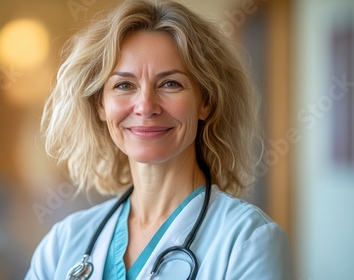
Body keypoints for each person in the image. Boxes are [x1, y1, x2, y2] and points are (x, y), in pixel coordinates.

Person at [26, 0, 292, 279]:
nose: (145, 106)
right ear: (100, 105)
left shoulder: (248, 241)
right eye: (124, 85)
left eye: (170, 83)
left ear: (206, 102)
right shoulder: (63, 244)